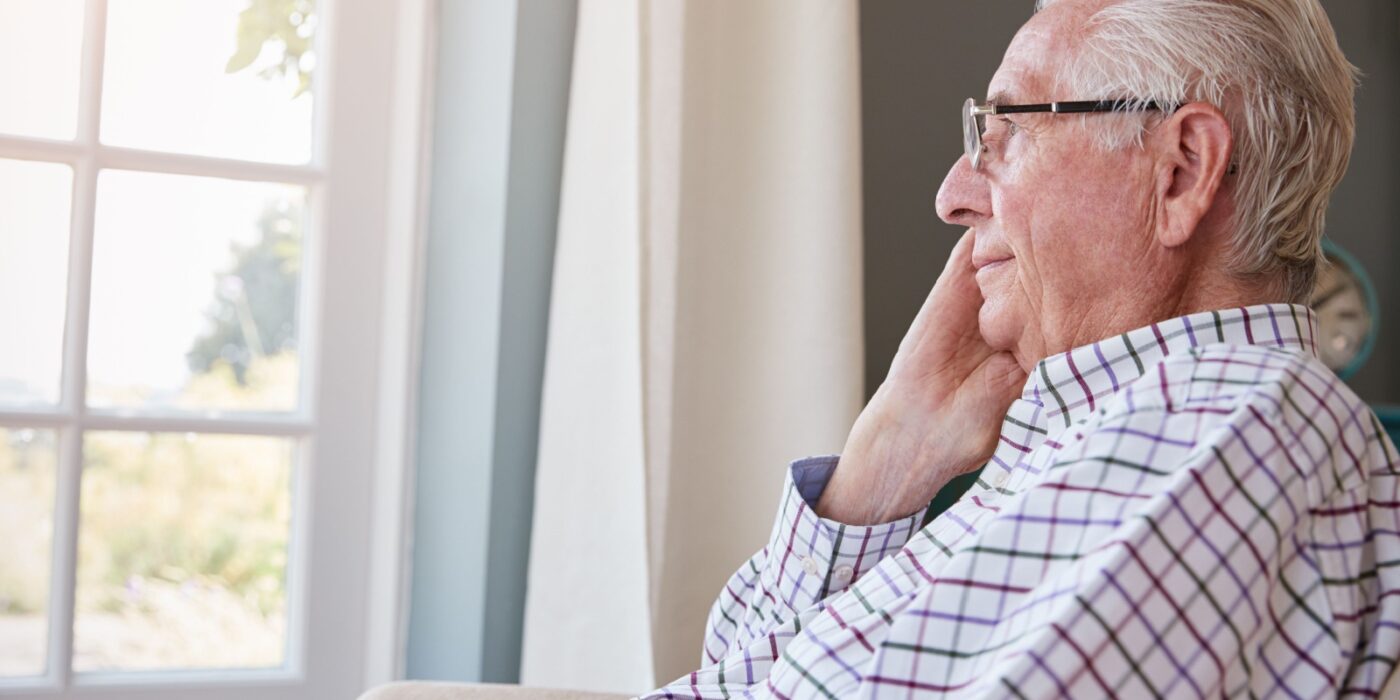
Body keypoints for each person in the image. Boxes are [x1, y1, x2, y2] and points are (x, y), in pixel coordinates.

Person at [640, 0, 1399, 697]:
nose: (953, 195)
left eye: (1005, 132)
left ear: (1182, 171)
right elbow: (730, 678)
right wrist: (884, 466)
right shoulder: (1130, 435)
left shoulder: (1236, 428)